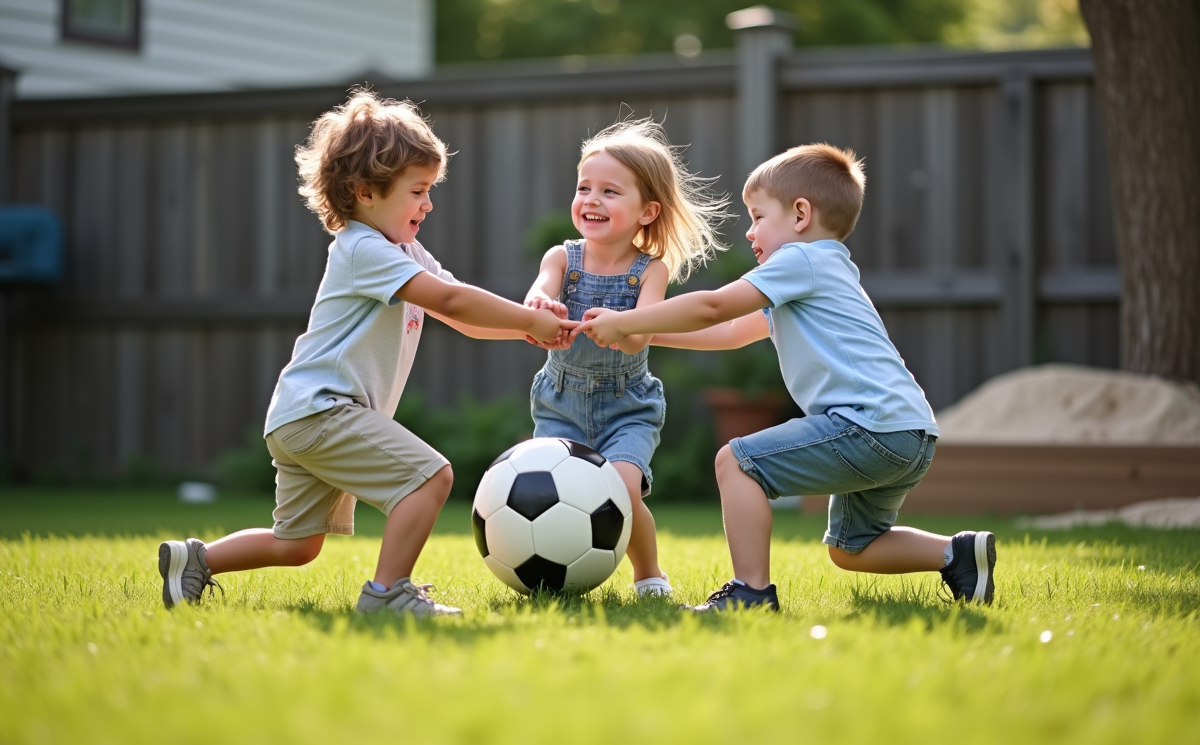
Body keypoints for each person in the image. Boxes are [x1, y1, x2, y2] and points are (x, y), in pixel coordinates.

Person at [157, 90, 572, 617]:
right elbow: (449, 298)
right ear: (365, 192)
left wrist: (529, 331)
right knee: (429, 477)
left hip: (302, 415)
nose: (428, 204)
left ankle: (194, 560)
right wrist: (527, 317)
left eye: (430, 190)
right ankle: (387, 594)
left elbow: (459, 314)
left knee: (298, 545)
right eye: (418, 191)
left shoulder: (402, 250)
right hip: (324, 410)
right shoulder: (362, 248)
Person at [574, 143, 996, 612]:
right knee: (851, 548)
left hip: (868, 426)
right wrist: (635, 333)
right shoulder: (821, 275)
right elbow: (731, 332)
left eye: (757, 217)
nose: (750, 232)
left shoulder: (802, 261)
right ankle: (957, 554)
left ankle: (750, 592)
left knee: (736, 462)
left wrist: (626, 320)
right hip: (908, 432)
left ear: (800, 215)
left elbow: (714, 306)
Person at [523, 119, 728, 598]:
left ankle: (648, 573)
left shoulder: (649, 271)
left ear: (646, 211)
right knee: (555, 493)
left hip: (627, 406)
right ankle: (553, 571)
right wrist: (543, 306)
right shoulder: (562, 258)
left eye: (610, 192)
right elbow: (538, 293)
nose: (592, 200)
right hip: (560, 401)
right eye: (584, 188)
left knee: (623, 489)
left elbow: (641, 337)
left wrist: (620, 325)